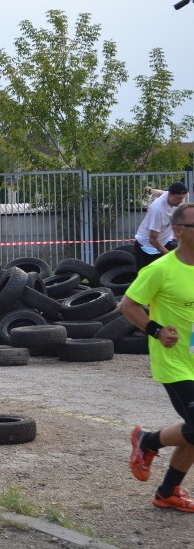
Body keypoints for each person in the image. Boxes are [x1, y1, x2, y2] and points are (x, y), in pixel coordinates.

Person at [121, 202, 194, 513]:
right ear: (178, 231)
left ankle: (167, 492)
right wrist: (156, 329)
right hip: (175, 362)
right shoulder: (160, 269)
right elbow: (128, 305)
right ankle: (148, 441)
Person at [133, 182, 188, 271]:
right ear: (170, 195)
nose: (181, 201)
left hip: (164, 242)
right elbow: (153, 239)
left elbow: (159, 193)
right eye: (178, 198)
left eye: (183, 198)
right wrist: (170, 257)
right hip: (147, 247)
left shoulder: (168, 195)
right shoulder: (158, 209)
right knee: (149, 279)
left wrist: (150, 190)